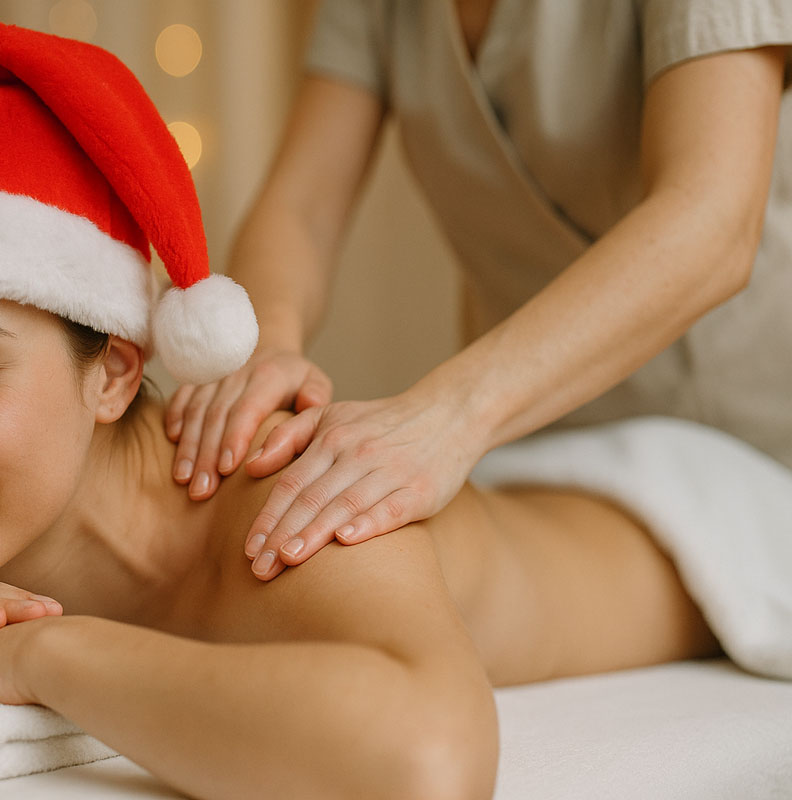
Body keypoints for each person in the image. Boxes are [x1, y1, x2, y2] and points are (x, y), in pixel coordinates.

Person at [0, 17, 744, 800]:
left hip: (717, 503)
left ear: (115, 369)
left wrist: (45, 658)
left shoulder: (282, 495)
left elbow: (425, 759)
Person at [164, 0, 792, 580]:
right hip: (548, 454)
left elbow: (713, 218)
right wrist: (265, 345)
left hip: (758, 443)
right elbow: (302, 209)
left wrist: (449, 415)